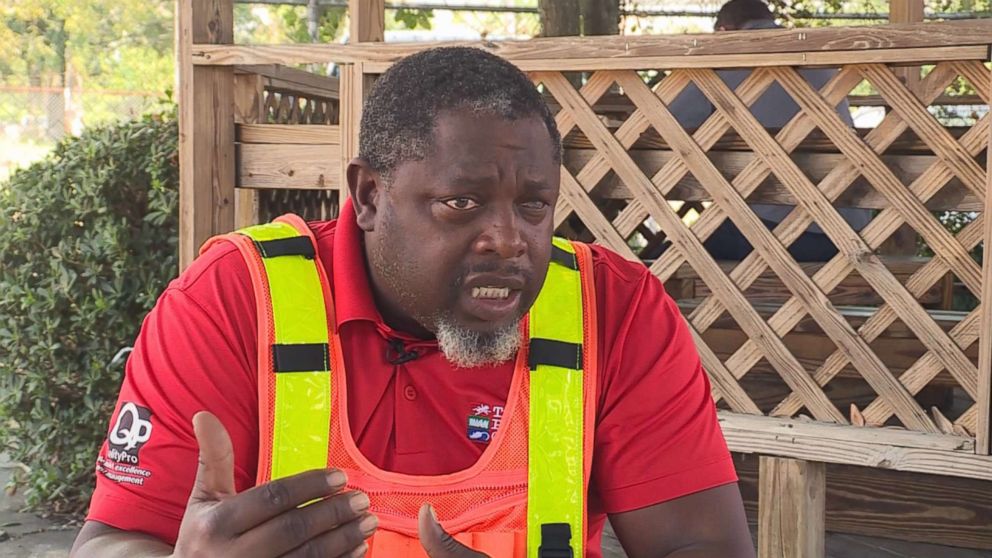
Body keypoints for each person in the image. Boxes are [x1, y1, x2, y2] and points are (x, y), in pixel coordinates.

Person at [71, 47, 754, 558]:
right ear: (368, 197)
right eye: (461, 202)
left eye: (534, 205)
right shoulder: (232, 300)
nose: (508, 242)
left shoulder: (617, 310)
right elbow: (112, 541)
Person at [666, 0, 872, 262]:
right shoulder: (818, 57)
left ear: (724, 32)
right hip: (850, 231)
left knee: (664, 262)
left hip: (772, 229)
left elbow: (665, 123)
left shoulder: (723, 59)